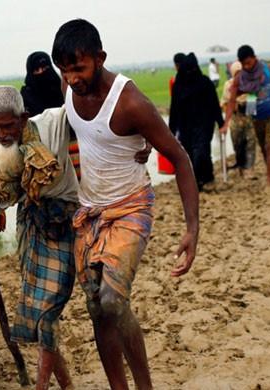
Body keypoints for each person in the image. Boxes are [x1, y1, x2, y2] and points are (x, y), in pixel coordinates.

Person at [52, 19, 200, 390]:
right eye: (65, 70)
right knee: (96, 307)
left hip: (131, 206)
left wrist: (192, 229)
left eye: (79, 68)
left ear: (100, 58)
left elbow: (180, 158)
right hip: (89, 212)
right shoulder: (68, 88)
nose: (71, 78)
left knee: (113, 302)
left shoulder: (130, 102)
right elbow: (85, 135)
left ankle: (145, 386)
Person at [0, 85, 77, 390]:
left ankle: (41, 386)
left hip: (65, 220)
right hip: (30, 223)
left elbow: (95, 119)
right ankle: (65, 385)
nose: (1, 133)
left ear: (23, 116)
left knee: (48, 308)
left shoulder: (54, 123)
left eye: (7, 125)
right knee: (41, 311)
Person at [220, 45, 270, 189]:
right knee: (263, 148)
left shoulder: (268, 69)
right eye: (243, 64)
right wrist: (226, 123)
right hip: (256, 116)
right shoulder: (239, 79)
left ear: (254, 58)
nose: (247, 66)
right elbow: (231, 102)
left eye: (249, 62)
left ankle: (268, 183)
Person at [169, 53, 224, 190]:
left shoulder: (205, 83)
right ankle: (196, 183)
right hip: (185, 126)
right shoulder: (178, 86)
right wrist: (170, 131)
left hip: (204, 124)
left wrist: (221, 123)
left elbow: (215, 104)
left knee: (202, 152)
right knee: (188, 155)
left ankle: (207, 178)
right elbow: (174, 108)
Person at [221, 61, 256, 177]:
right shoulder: (228, 85)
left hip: (248, 117)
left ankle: (250, 169)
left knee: (250, 142)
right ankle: (241, 167)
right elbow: (224, 103)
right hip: (235, 118)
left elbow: (252, 101)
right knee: (238, 143)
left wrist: (247, 108)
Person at [20, 51, 65, 117]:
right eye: (37, 70)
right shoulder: (25, 97)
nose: (41, 72)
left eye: (45, 68)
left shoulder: (62, 89)